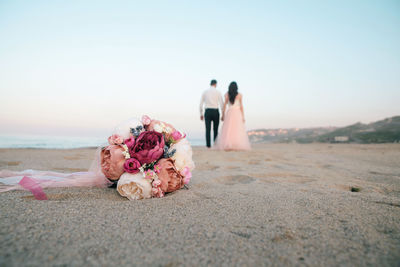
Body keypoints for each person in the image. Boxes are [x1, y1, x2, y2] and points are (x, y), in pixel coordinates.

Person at [214, 81, 251, 151]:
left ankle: (228, 144)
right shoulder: (239, 95)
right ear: (236, 87)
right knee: (237, 128)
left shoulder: (227, 95)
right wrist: (243, 117)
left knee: (228, 129)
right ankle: (236, 144)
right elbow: (241, 106)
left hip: (230, 112)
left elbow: (224, 105)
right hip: (237, 112)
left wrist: (223, 114)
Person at [199, 79, 223, 148]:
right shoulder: (218, 92)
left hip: (208, 111)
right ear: (215, 84)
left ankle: (208, 145)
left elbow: (201, 104)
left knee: (208, 129)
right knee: (215, 129)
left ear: (210, 84)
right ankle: (215, 144)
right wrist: (223, 113)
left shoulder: (205, 92)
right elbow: (221, 103)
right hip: (215, 111)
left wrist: (201, 114)